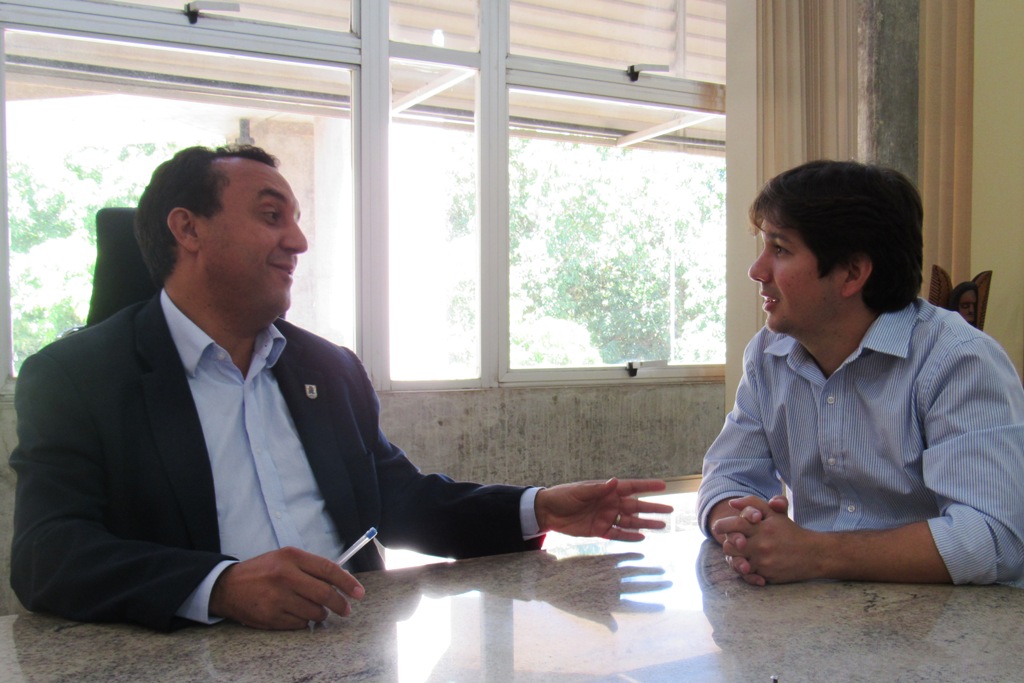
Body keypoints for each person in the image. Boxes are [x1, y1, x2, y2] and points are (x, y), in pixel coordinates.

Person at [9, 145, 672, 632]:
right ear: (188, 229)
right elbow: (48, 553)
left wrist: (537, 508)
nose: (297, 240)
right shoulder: (77, 377)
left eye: (296, 219)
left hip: (351, 646)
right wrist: (221, 586)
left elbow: (401, 500)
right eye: (272, 216)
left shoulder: (328, 368)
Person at [697, 159, 1024, 588]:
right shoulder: (769, 354)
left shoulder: (957, 360)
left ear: (852, 273)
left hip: (946, 631)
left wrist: (816, 554)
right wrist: (747, 527)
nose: (757, 271)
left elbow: (994, 536)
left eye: (780, 249)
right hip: (823, 619)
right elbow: (727, 475)